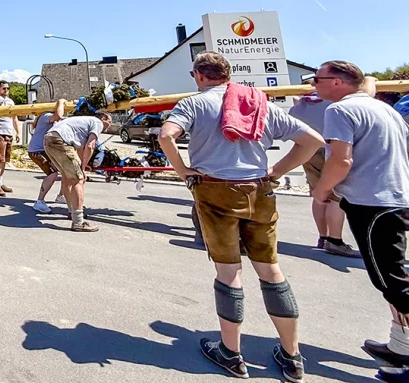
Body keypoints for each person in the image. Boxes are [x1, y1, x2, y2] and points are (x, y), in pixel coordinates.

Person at [158, 52, 324, 381]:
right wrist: (276, 170)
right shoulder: (258, 102)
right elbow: (312, 141)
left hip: (215, 190)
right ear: (228, 74)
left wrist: (185, 172)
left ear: (199, 75)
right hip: (259, 190)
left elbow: (166, 136)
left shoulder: (194, 104)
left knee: (229, 272)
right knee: (270, 270)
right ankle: (292, 356)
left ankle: (231, 353)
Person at [308, 61, 409, 382]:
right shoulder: (384, 109)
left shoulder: (339, 111)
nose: (313, 85)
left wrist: (323, 190)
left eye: (318, 79)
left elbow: (342, 159)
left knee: (393, 282)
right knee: (392, 278)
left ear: (338, 82)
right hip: (393, 198)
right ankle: (401, 345)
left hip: (373, 203)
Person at [290, 75, 377, 257]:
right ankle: (335, 240)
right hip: (333, 150)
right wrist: (369, 80)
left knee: (318, 194)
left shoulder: (298, 108)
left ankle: (323, 237)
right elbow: (365, 97)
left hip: (309, 152)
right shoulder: (334, 103)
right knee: (336, 196)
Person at [43, 106, 111, 232]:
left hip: (48, 140)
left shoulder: (83, 122)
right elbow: (90, 146)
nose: (109, 125)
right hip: (60, 141)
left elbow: (81, 149)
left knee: (67, 177)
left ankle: (71, 212)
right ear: (103, 118)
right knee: (78, 180)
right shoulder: (97, 123)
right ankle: (79, 222)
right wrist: (83, 169)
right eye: (109, 121)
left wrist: (82, 165)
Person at [28, 100, 69, 214]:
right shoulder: (46, 115)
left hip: (45, 150)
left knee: (64, 171)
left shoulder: (47, 117)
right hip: (37, 151)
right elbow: (59, 116)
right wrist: (61, 102)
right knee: (53, 173)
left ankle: (61, 196)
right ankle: (39, 202)